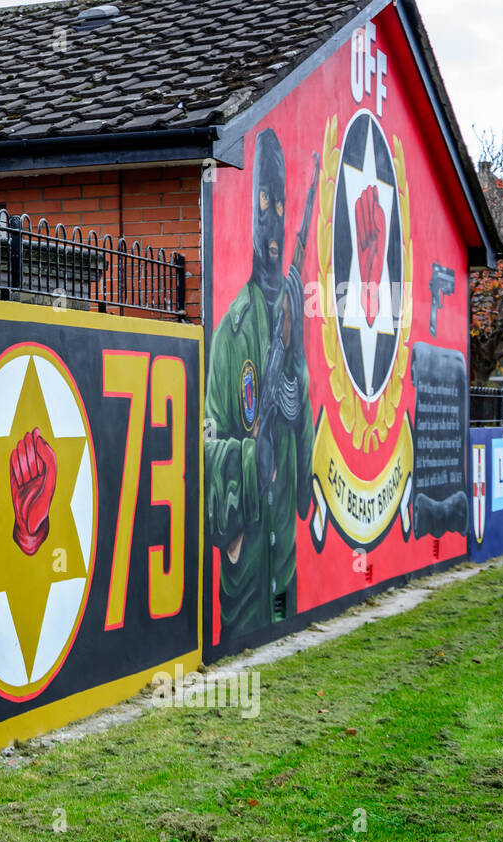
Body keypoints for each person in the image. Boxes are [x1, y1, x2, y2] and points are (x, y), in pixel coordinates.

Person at [205, 128, 314, 641]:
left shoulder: (293, 313)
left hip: (285, 555)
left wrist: (295, 355)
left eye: (282, 204)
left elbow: (302, 425)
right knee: (250, 635)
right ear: (251, 214)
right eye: (263, 204)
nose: (273, 221)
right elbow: (206, 443)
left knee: (285, 626)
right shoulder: (232, 330)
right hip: (245, 571)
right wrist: (254, 460)